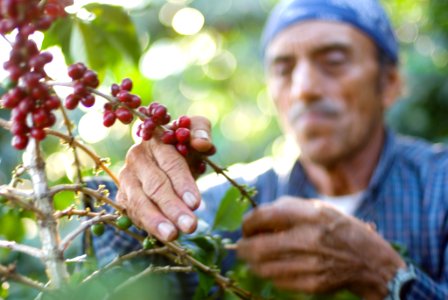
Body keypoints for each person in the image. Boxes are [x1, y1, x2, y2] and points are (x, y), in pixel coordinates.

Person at [91, 0, 448, 299]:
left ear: (389, 83)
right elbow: (132, 280)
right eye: (283, 68)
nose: (304, 88)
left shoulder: (439, 188)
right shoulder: (237, 201)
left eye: (334, 61)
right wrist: (144, 208)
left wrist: (390, 278)